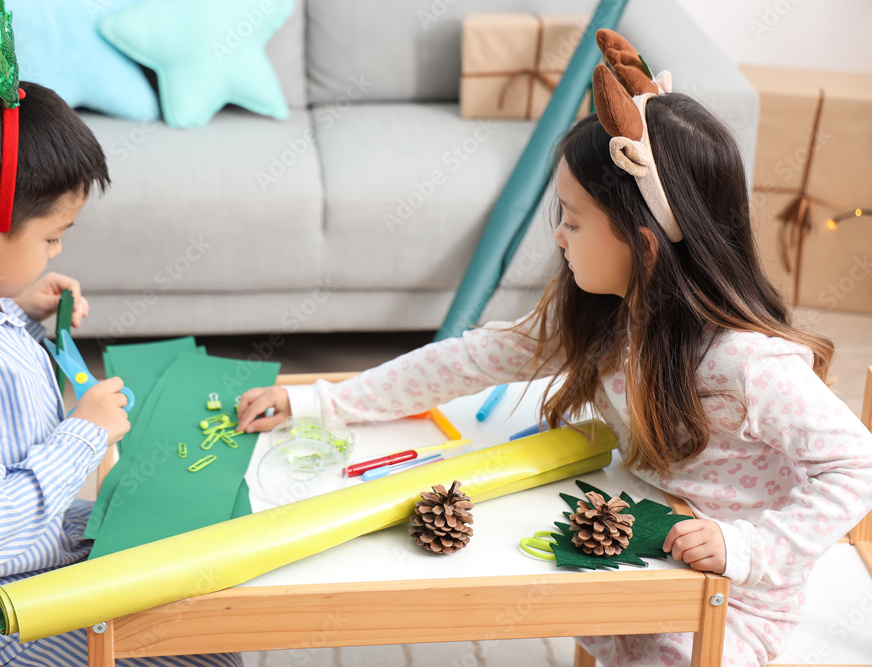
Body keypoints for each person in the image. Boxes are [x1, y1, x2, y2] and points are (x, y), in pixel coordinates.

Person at [237, 31, 872, 666]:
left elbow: (858, 466)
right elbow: (464, 360)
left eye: (571, 220)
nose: (560, 238)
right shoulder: (606, 318)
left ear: (645, 248)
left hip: (732, 595)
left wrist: (750, 548)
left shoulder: (743, 361)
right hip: (640, 554)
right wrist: (321, 401)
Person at [0, 72, 240, 667]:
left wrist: (16, 307)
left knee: (183, 545)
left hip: (19, 564)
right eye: (51, 238)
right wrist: (83, 434)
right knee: (204, 647)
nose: (57, 252)